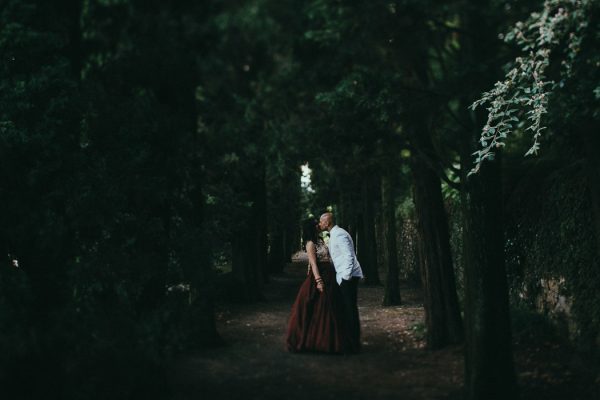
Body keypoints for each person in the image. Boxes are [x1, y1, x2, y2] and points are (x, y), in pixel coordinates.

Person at [285, 217, 350, 353]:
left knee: (331, 306)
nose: (319, 225)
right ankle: (315, 341)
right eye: (316, 224)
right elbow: (314, 264)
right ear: (312, 228)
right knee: (318, 306)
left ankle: (330, 341)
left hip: (330, 275)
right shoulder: (310, 244)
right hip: (320, 276)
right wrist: (319, 281)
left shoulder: (320, 240)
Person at [319, 212, 363, 353]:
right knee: (347, 309)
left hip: (348, 276)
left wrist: (346, 277)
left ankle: (354, 344)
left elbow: (349, 256)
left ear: (328, 222)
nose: (320, 224)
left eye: (321, 221)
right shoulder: (334, 234)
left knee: (350, 309)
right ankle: (350, 342)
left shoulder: (340, 234)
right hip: (343, 276)